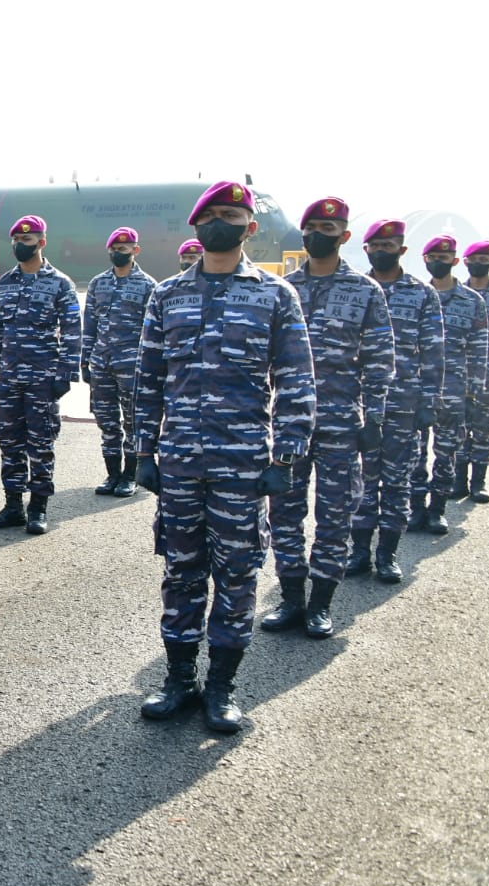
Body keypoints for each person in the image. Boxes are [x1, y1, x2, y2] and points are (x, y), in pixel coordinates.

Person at [135, 181, 316, 734]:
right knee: (181, 572)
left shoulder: (275, 296)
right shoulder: (165, 295)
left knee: (237, 575)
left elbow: (296, 380)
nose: (221, 223)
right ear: (196, 226)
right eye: (211, 215)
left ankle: (222, 688)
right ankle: (179, 681)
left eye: (231, 215)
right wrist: (143, 450)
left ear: (249, 227)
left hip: (243, 466)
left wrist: (284, 458)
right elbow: (149, 380)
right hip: (182, 463)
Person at [260, 199, 394, 639]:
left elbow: (379, 360)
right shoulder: (282, 289)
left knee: (335, 513)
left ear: (345, 236)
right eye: (314, 226)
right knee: (284, 511)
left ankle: (321, 603)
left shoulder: (365, 291)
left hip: (341, 419)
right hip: (289, 422)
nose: (321, 233)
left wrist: (373, 418)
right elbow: (262, 360)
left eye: (330, 227)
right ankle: (291, 596)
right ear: (303, 234)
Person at [350, 219, 443, 583]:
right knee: (361, 479)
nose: (383, 251)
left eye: (390, 246)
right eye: (377, 246)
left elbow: (434, 353)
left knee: (397, 480)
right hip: (360, 403)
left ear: (402, 251)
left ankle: (387, 553)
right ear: (366, 249)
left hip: (404, 402)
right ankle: (358, 551)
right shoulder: (357, 290)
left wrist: (428, 402)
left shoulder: (422, 294)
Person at [0, 215, 81, 535]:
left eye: (27, 240)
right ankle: (13, 506)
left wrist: (65, 373)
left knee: (40, 443)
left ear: (42, 242)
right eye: (16, 241)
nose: (20, 245)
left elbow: (73, 332)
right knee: (9, 442)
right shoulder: (5, 283)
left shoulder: (60, 283)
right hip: (9, 376)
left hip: (43, 378)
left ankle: (37, 507)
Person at [410, 235, 489, 535]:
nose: (439, 262)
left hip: (455, 389)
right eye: (433, 257)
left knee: (447, 452)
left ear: (456, 261)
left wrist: (475, 390)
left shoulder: (472, 301)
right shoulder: (415, 295)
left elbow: (480, 349)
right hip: (417, 388)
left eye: (445, 258)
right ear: (425, 259)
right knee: (414, 453)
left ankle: (437, 509)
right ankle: (415, 508)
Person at [82, 227, 157, 496]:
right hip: (101, 363)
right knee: (106, 421)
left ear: (135, 251)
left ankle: (130, 475)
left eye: (123, 249)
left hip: (132, 366)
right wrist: (84, 361)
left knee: (132, 422)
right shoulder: (98, 283)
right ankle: (112, 474)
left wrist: (150, 367)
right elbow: (89, 324)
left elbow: (153, 331)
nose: (118, 253)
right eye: (114, 249)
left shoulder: (148, 285)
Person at [457, 241, 489, 502]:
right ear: (465, 261)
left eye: (485, 259)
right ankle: (459, 482)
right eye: (475, 259)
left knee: (484, 428)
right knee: (457, 429)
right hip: (457, 374)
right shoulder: (456, 294)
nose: (480, 263)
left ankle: (479, 483)